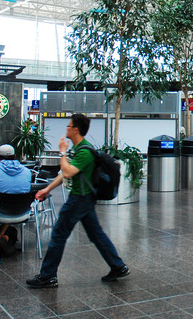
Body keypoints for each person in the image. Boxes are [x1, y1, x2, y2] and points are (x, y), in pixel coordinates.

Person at [27, 114, 129, 288]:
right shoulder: (82, 148)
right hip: (85, 199)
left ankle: (48, 275)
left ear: (75, 129)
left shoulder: (84, 152)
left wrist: (62, 152)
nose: (66, 128)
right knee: (96, 234)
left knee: (58, 235)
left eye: (68, 126)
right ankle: (118, 266)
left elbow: (67, 172)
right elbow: (67, 173)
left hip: (78, 199)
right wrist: (47, 189)